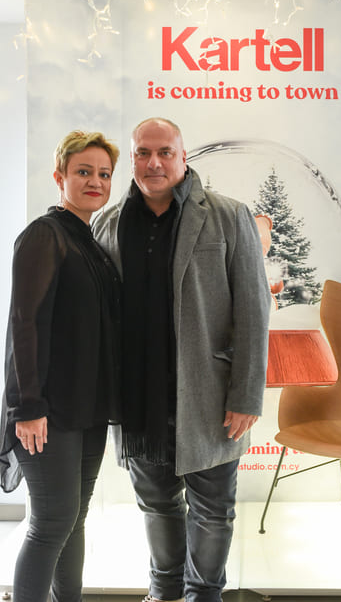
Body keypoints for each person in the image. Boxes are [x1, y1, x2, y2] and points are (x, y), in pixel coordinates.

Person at [93, 117, 271, 602]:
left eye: (164, 152)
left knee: (213, 510)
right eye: (143, 153)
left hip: (210, 397)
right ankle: (163, 592)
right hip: (140, 402)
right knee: (156, 505)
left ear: (183, 156)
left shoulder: (228, 216)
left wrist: (246, 395)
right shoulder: (107, 224)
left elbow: (254, 310)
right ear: (133, 159)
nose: (154, 162)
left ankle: (203, 596)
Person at [0, 130, 122, 602]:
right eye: (83, 172)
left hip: (87, 408)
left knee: (74, 519)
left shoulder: (88, 241)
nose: (95, 181)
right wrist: (27, 407)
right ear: (60, 177)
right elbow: (24, 324)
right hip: (47, 409)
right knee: (52, 522)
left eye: (104, 174)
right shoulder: (44, 234)